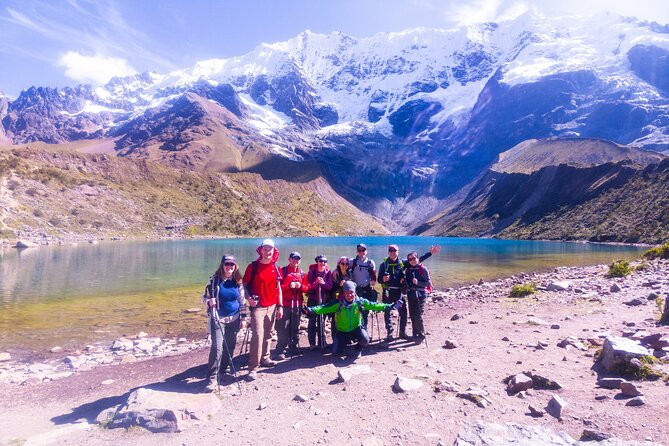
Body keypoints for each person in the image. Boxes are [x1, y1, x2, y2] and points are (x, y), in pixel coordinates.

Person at [302, 281, 402, 360]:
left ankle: (358, 349)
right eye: (347, 293)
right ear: (343, 293)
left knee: (365, 339)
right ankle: (343, 345)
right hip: (342, 331)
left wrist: (391, 306)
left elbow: (375, 305)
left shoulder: (360, 302)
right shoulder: (338, 303)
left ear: (355, 293)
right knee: (336, 353)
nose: (350, 295)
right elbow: (323, 308)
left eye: (352, 293)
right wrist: (309, 310)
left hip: (356, 329)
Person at [202, 255, 247, 392]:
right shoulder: (213, 281)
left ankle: (223, 370)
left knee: (230, 345)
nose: (229, 267)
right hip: (218, 319)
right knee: (217, 348)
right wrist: (208, 301)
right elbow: (204, 297)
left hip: (234, 319)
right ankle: (211, 378)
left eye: (232, 265)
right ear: (222, 265)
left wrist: (244, 318)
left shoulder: (237, 282)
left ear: (235, 267)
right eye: (227, 264)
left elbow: (242, 301)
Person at [378, 244, 441, 340]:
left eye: (394, 251)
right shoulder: (383, 265)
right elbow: (379, 280)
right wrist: (383, 279)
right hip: (387, 292)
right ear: (388, 252)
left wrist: (430, 253)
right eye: (390, 250)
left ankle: (402, 333)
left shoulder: (402, 263)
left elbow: (416, 261)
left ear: (398, 252)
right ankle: (389, 334)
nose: (392, 252)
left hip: (398, 293)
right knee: (387, 312)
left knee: (403, 313)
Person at [243, 239, 283, 380]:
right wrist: (249, 298)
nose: (267, 252)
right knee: (258, 336)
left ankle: (265, 358)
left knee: (268, 333)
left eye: (270, 249)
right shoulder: (253, 266)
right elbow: (244, 284)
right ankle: (253, 367)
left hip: (272, 306)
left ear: (274, 251)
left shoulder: (276, 266)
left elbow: (278, 288)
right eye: (265, 249)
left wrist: (280, 306)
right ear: (260, 250)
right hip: (258, 307)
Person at [275, 251, 309, 359]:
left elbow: (307, 288)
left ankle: (293, 347)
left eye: (298, 259)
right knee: (283, 328)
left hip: (297, 304)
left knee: (295, 326)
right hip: (285, 304)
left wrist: (301, 286)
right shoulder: (283, 271)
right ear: (289, 259)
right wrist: (289, 285)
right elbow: (277, 287)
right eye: (293, 258)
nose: (296, 261)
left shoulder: (303, 274)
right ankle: (281, 349)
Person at [402, 251, 433, 343]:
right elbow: (407, 283)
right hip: (411, 293)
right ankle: (414, 334)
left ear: (418, 258)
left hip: (421, 294)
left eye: (414, 258)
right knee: (412, 315)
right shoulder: (408, 270)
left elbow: (427, 283)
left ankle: (421, 335)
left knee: (418, 315)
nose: (412, 260)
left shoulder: (423, 269)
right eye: (410, 259)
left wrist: (418, 283)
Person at [306, 255, 333, 350]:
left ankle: (322, 342)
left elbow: (330, 287)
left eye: (325, 261)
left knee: (322, 321)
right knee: (312, 322)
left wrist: (323, 284)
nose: (323, 263)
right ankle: (312, 344)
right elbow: (307, 287)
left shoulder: (328, 273)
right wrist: (316, 283)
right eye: (321, 261)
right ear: (317, 262)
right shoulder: (311, 273)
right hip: (313, 300)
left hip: (324, 300)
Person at [350, 243, 377, 328]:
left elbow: (373, 276)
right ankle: (356, 332)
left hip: (367, 289)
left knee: (365, 311)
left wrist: (373, 283)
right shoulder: (352, 262)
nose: (361, 252)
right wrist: (336, 270)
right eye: (359, 250)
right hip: (356, 290)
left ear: (366, 251)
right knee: (356, 311)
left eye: (363, 250)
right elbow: (342, 266)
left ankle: (364, 331)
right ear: (356, 252)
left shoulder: (370, 262)